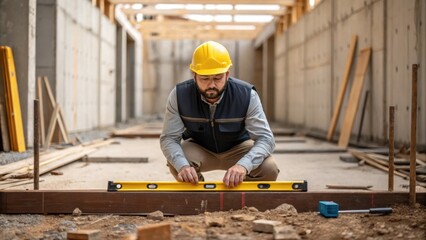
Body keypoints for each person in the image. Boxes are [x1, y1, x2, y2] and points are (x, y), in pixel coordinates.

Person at [160, 41, 279, 188]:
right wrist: (183, 166)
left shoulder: (247, 95)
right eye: (204, 78)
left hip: (238, 148)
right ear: (194, 75)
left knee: (269, 168)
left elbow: (266, 139)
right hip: (200, 148)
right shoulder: (179, 95)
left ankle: (241, 196)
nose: (211, 85)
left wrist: (244, 165)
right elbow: (168, 138)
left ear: (227, 74)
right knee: (176, 164)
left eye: (217, 78)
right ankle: (197, 191)